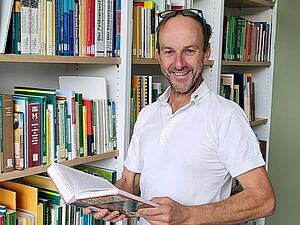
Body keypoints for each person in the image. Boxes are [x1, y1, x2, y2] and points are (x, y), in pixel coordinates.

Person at [84, 9, 276, 225]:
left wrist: (186, 215)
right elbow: (130, 182)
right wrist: (107, 202)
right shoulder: (147, 114)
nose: (178, 63)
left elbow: (264, 200)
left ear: (206, 53)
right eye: (169, 52)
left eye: (189, 51)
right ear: (158, 55)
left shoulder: (227, 116)